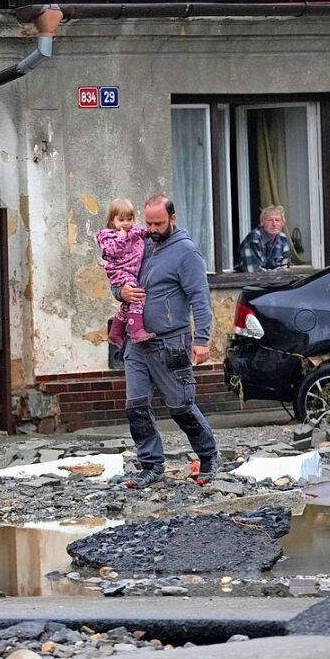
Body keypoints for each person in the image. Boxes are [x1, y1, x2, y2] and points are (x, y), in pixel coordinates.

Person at [116, 194, 221, 489]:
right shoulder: (141, 245)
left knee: (181, 406)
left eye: (158, 223)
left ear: (173, 219)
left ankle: (210, 458)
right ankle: (151, 466)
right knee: (136, 406)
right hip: (137, 343)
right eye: (148, 223)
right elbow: (118, 275)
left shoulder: (186, 253)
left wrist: (201, 338)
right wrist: (120, 292)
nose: (152, 228)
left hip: (170, 342)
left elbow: (200, 298)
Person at [96, 198, 153, 345]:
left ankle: (115, 332)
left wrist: (151, 232)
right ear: (112, 220)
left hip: (131, 273)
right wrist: (121, 239)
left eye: (129, 219)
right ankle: (136, 330)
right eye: (121, 220)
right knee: (138, 296)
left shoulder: (133, 231)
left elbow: (145, 232)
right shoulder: (107, 235)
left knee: (128, 304)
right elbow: (108, 252)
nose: (126, 223)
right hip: (120, 272)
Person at [235, 205, 291, 272]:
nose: (274, 224)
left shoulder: (283, 239)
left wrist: (277, 271)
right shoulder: (254, 239)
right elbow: (253, 272)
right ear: (262, 223)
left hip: (276, 281)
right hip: (245, 281)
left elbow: (285, 269)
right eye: (270, 220)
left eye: (277, 220)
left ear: (282, 223)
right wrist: (277, 271)